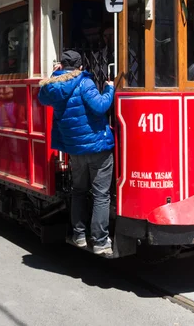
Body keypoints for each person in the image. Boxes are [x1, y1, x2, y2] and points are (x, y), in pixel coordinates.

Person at [38, 49, 115, 257]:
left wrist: (55, 74)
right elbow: (100, 107)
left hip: (74, 150)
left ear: (61, 65)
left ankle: (79, 235)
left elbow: (42, 96)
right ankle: (100, 241)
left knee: (79, 191)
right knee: (101, 195)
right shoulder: (84, 82)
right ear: (81, 66)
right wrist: (110, 89)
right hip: (97, 147)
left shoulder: (54, 85)